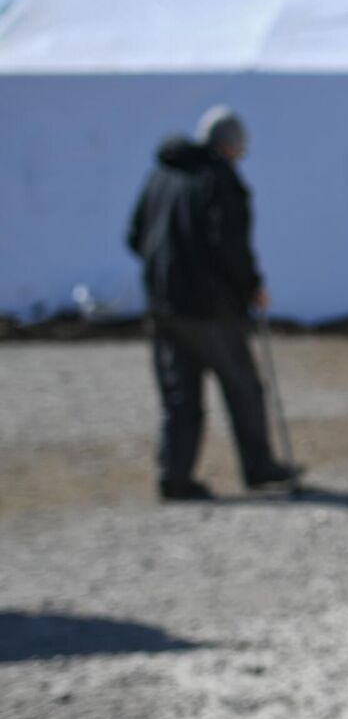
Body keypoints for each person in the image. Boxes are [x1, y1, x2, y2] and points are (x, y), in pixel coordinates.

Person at [126, 106, 299, 501]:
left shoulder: (161, 175)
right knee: (243, 387)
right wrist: (251, 285)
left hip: (162, 306)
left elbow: (135, 237)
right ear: (230, 146)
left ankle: (175, 476)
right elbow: (230, 245)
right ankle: (259, 467)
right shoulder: (220, 180)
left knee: (180, 396)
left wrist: (165, 269)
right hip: (210, 308)